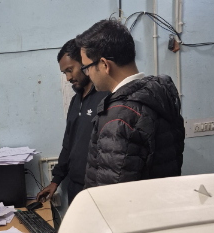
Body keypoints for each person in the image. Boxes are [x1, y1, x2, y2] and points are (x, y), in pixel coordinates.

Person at [74, 19, 185, 188]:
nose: (87, 74)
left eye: (86, 67)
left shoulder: (119, 117)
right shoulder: (159, 95)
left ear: (104, 64)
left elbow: (113, 192)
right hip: (161, 199)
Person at [36, 39, 111, 205]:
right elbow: (68, 144)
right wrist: (55, 181)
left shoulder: (105, 96)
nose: (68, 78)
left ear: (84, 63)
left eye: (70, 70)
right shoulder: (75, 101)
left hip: (98, 189)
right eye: (64, 73)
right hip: (75, 188)